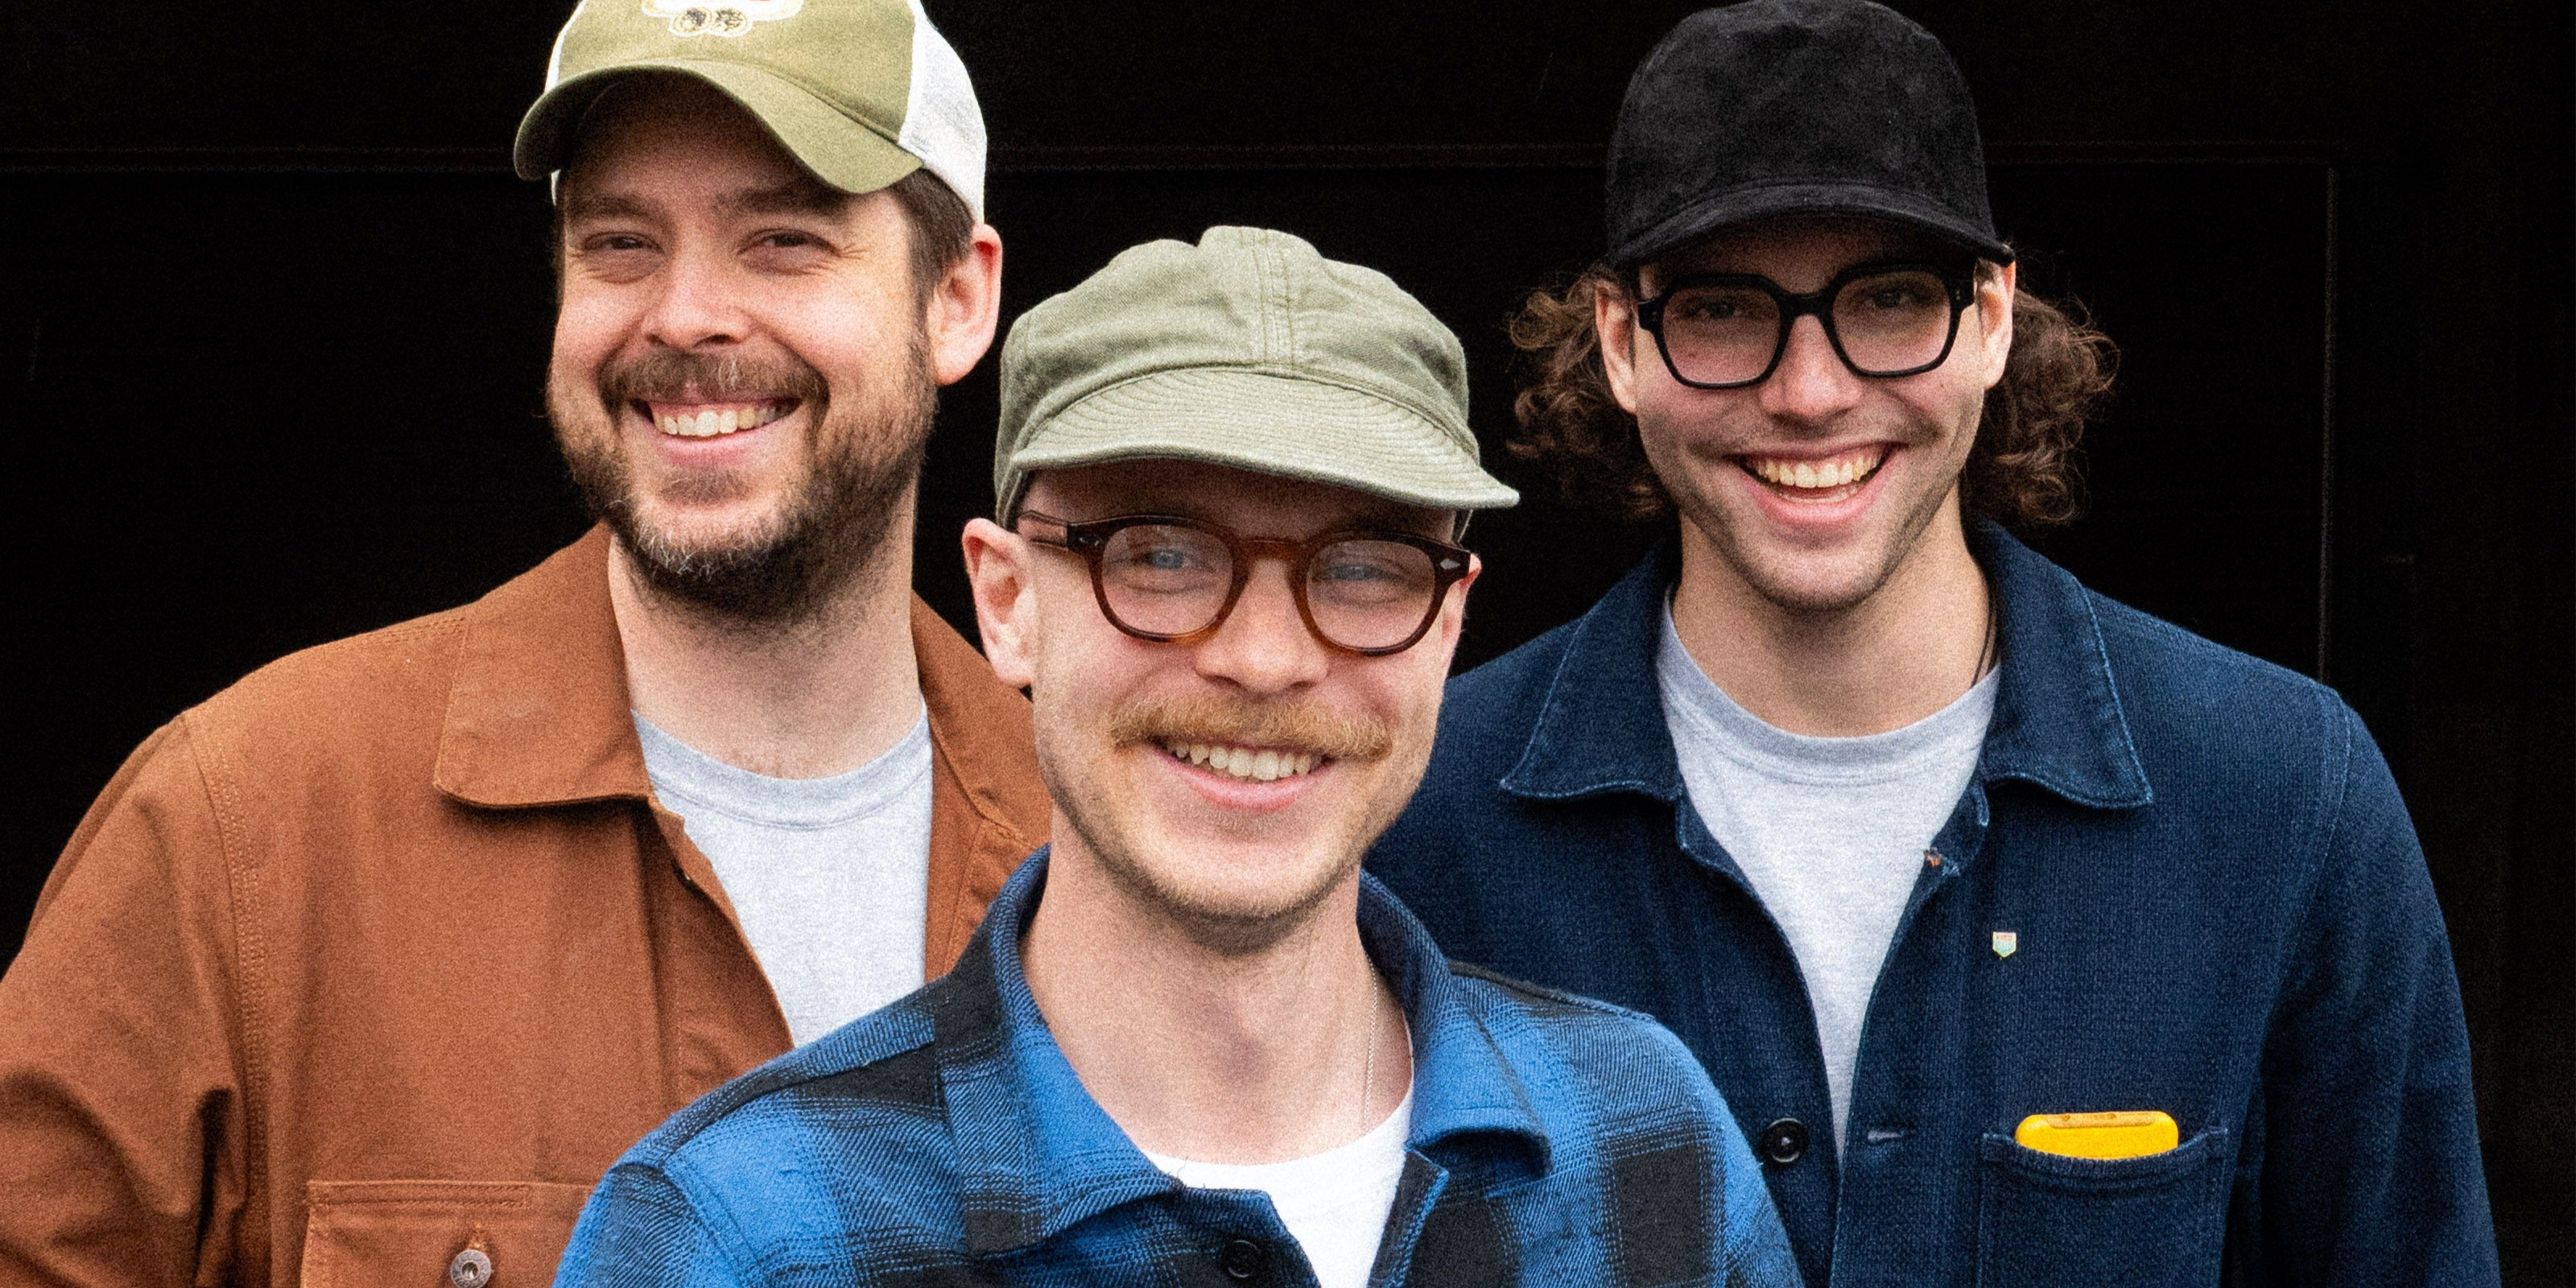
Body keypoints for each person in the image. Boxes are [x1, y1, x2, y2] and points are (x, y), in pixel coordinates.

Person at [1367, 3, 2500, 1286]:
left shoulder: (2285, 796)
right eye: (1726, 310)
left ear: (1996, 316)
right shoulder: (1418, 813)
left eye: (1890, 299)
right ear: (1623, 343)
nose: (1808, 391)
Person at [0, 2, 1048, 1284]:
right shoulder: (243, 827)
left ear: (957, 301)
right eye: (620, 241)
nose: (683, 316)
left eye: (783, 240)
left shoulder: (1107, 844)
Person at [551, 227, 1803, 1288]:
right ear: (1005, 601)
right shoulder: (737, 1236)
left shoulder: (1648, 1143)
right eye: (1159, 555)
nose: (1263, 661)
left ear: (1453, 619)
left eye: (1363, 566)